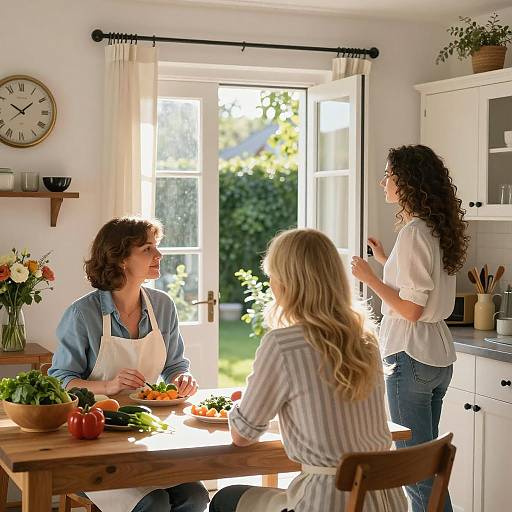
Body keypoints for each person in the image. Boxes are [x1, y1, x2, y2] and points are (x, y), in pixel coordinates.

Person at [209, 228, 407, 512]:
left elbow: (243, 435)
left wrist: (239, 404)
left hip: (326, 503)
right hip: (386, 502)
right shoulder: (366, 339)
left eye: (272, 276)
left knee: (224, 499)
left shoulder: (283, 344)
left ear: (287, 283)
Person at [49, 217, 209, 512]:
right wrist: (109, 386)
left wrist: (182, 378)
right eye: (148, 249)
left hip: (146, 432)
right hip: (91, 441)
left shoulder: (162, 306)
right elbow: (60, 380)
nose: (159, 255)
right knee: (154, 501)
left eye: (156, 247)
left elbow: (176, 364)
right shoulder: (83, 314)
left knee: (195, 497)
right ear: (121, 258)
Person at [351, 145, 469, 512]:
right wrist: (388, 261)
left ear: (406, 182)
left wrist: (370, 278)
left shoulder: (415, 233)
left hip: (410, 357)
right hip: (436, 359)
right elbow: (421, 285)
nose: (383, 182)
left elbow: (412, 310)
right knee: (428, 467)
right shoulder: (433, 229)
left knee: (416, 474)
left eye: (388, 175)